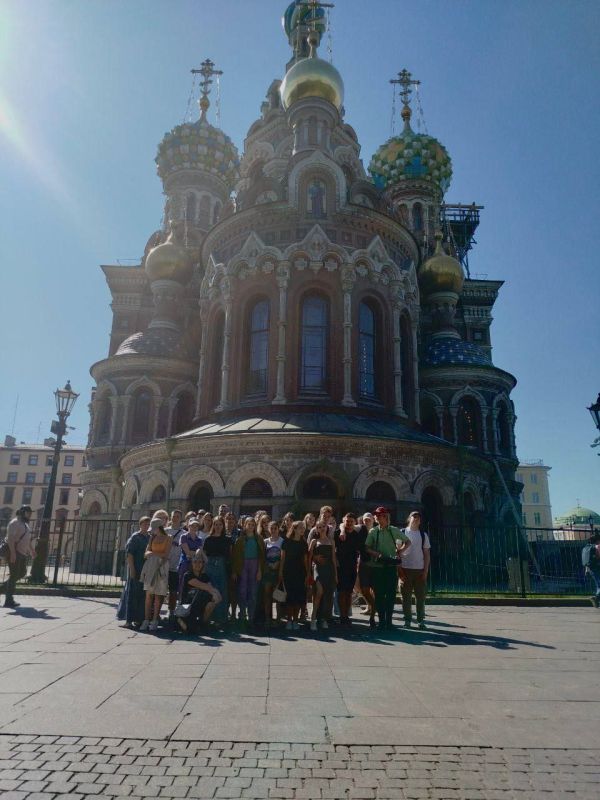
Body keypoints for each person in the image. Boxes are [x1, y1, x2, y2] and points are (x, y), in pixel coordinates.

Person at [365, 506, 410, 630]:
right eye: (376, 515)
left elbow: (408, 542)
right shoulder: (374, 531)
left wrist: (400, 551)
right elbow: (366, 547)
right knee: (379, 595)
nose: (377, 517)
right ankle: (381, 621)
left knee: (390, 595)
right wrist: (376, 554)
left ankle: (389, 622)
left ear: (386, 517)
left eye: (380, 515)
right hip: (378, 567)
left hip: (391, 567)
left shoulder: (393, 530)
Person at [117, 516, 151, 628]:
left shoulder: (149, 537)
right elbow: (130, 554)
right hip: (136, 568)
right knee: (132, 594)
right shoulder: (135, 537)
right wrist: (132, 569)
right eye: (144, 524)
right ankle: (128, 620)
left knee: (142, 595)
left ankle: (138, 619)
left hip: (145, 570)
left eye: (148, 524)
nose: (146, 526)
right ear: (140, 525)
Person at [399, 511, 431, 630]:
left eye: (418, 517)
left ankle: (420, 620)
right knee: (406, 598)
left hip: (419, 570)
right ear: (409, 518)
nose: (416, 519)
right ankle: (407, 620)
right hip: (405, 569)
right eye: (414, 516)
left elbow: (426, 554)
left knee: (420, 597)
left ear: (420, 521)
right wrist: (399, 571)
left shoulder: (423, 535)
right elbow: (397, 553)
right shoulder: (402, 533)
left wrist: (425, 571)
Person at [139, 516, 171, 632]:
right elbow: (145, 553)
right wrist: (152, 554)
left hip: (162, 566)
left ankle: (154, 620)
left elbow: (166, 554)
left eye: (153, 529)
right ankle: (146, 620)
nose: (151, 531)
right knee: (149, 594)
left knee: (158, 595)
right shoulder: (152, 538)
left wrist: (152, 554)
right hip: (151, 566)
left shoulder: (168, 538)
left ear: (158, 528)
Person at [178, 549, 221, 634]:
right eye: (195, 562)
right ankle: (186, 623)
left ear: (202, 564)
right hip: (187, 608)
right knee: (188, 629)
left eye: (200, 562)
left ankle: (203, 624)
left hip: (199, 605)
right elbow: (204, 586)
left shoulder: (205, 576)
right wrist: (216, 593)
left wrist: (216, 595)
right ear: (191, 563)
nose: (197, 564)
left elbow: (211, 589)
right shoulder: (188, 575)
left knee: (211, 602)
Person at [0, 505, 35, 608]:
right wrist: (13, 553)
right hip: (15, 552)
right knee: (14, 575)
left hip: (22, 553)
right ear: (22, 512)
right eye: (28, 513)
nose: (30, 515)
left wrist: (32, 550)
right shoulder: (14, 523)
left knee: (22, 573)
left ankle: (2, 589)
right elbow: (10, 539)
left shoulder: (25, 524)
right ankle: (9, 600)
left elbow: (27, 539)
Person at [231, 516, 265, 623]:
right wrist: (234, 571)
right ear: (245, 526)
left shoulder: (259, 539)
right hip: (243, 565)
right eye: (248, 524)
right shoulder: (240, 540)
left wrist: (259, 570)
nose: (251, 527)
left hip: (255, 565)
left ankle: (251, 616)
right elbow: (235, 557)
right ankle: (242, 614)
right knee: (242, 591)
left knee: (253, 592)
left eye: (253, 525)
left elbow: (262, 557)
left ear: (255, 526)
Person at [309, 518, 337, 631]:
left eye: (323, 526)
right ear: (316, 529)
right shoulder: (314, 541)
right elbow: (309, 557)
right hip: (318, 569)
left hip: (329, 570)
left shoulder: (331, 541)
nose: (321, 529)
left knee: (327, 595)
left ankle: (323, 619)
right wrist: (309, 570)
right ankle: (313, 618)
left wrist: (336, 575)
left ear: (327, 528)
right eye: (319, 527)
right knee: (319, 592)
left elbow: (334, 558)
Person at [203, 516, 231, 625]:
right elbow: (204, 553)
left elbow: (229, 555)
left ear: (223, 526)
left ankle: (221, 618)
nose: (218, 526)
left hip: (222, 567)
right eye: (216, 524)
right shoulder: (208, 539)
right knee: (211, 591)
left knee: (222, 591)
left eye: (220, 524)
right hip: (210, 566)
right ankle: (210, 617)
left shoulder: (227, 539)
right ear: (213, 525)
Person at [280, 520, 308, 630]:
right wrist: (280, 572)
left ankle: (295, 620)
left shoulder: (304, 543)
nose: (302, 529)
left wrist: (308, 574)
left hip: (300, 573)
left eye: (303, 528)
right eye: (300, 527)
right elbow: (282, 558)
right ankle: (289, 620)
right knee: (289, 597)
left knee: (298, 597)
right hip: (288, 572)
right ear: (294, 529)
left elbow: (305, 560)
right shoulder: (286, 542)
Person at [334, 512, 361, 626]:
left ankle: (346, 616)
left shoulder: (356, 535)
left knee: (349, 592)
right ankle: (342, 616)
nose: (349, 523)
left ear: (354, 522)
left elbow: (359, 551)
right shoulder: (337, 533)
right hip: (340, 567)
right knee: (341, 592)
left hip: (352, 567)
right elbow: (333, 549)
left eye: (351, 521)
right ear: (343, 521)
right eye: (347, 521)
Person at [262, 520, 284, 627]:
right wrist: (268, 565)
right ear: (268, 529)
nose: (273, 530)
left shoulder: (282, 541)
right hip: (268, 571)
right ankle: (267, 618)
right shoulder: (265, 541)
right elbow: (262, 557)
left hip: (278, 572)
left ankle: (278, 618)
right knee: (267, 596)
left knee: (278, 596)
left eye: (275, 528)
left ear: (278, 529)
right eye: (271, 528)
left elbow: (283, 556)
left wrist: (278, 564)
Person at [356, 512, 376, 625]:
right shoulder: (360, 529)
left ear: (373, 520)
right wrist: (343, 530)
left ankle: (372, 615)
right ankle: (373, 607)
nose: (367, 521)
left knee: (375, 590)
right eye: (365, 519)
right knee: (364, 589)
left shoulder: (377, 530)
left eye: (369, 519)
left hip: (376, 565)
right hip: (364, 563)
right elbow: (343, 524)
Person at [177, 518, 203, 597]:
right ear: (188, 526)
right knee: (182, 585)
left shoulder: (200, 539)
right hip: (185, 564)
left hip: (195, 566)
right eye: (192, 525)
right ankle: (181, 601)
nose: (194, 527)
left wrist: (193, 553)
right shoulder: (183, 537)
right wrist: (194, 552)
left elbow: (199, 552)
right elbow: (187, 552)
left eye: (196, 526)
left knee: (193, 587)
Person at [166, 509, 185, 618]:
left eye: (177, 516)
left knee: (173, 591)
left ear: (181, 518)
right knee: (161, 590)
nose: (175, 518)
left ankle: (171, 611)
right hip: (164, 565)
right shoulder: (165, 531)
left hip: (176, 565)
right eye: (173, 516)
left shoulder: (184, 533)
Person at [582, 532, 600, 608]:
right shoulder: (597, 546)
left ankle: (597, 601)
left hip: (591, 569)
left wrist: (586, 570)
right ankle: (596, 598)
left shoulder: (586, 547)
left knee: (598, 585)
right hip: (596, 567)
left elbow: (587, 561)